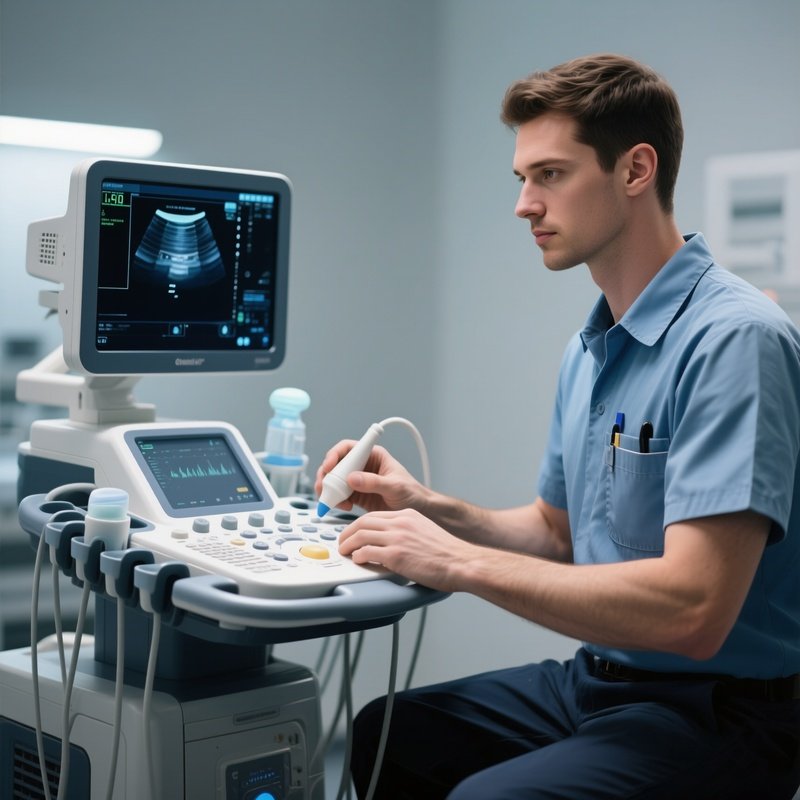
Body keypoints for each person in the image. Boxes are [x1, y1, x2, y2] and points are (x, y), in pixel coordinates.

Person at [316, 53, 800, 800]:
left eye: (550, 175)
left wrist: (456, 562)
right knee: (391, 733)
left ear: (635, 169)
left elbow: (696, 610)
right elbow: (556, 530)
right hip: (598, 682)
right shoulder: (593, 346)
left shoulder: (735, 341)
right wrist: (427, 508)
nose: (524, 205)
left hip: (718, 714)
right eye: (522, 179)